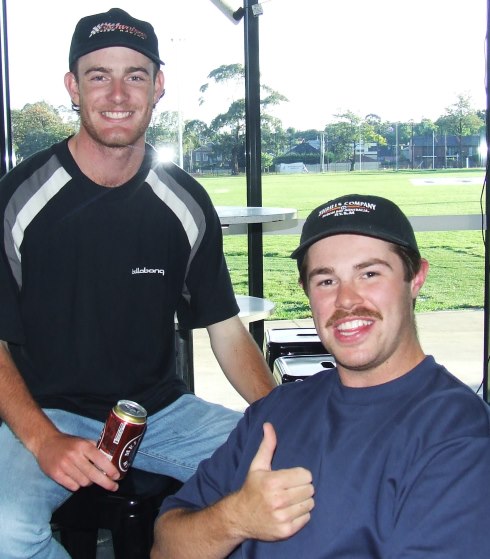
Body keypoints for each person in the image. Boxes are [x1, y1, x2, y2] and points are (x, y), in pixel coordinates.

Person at [0, 8, 276, 558]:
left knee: (294, 471)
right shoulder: (19, 199)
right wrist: (43, 438)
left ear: (159, 86)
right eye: (99, 75)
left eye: (135, 75)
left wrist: (283, 414)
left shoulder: (185, 201)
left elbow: (223, 325)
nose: (118, 93)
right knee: (7, 531)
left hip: (159, 413)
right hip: (43, 411)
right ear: (72, 87)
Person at [152, 194, 490, 559]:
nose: (346, 300)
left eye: (369, 273)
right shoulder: (277, 410)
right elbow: (166, 547)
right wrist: (235, 519)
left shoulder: (458, 434)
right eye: (326, 281)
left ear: (416, 278)